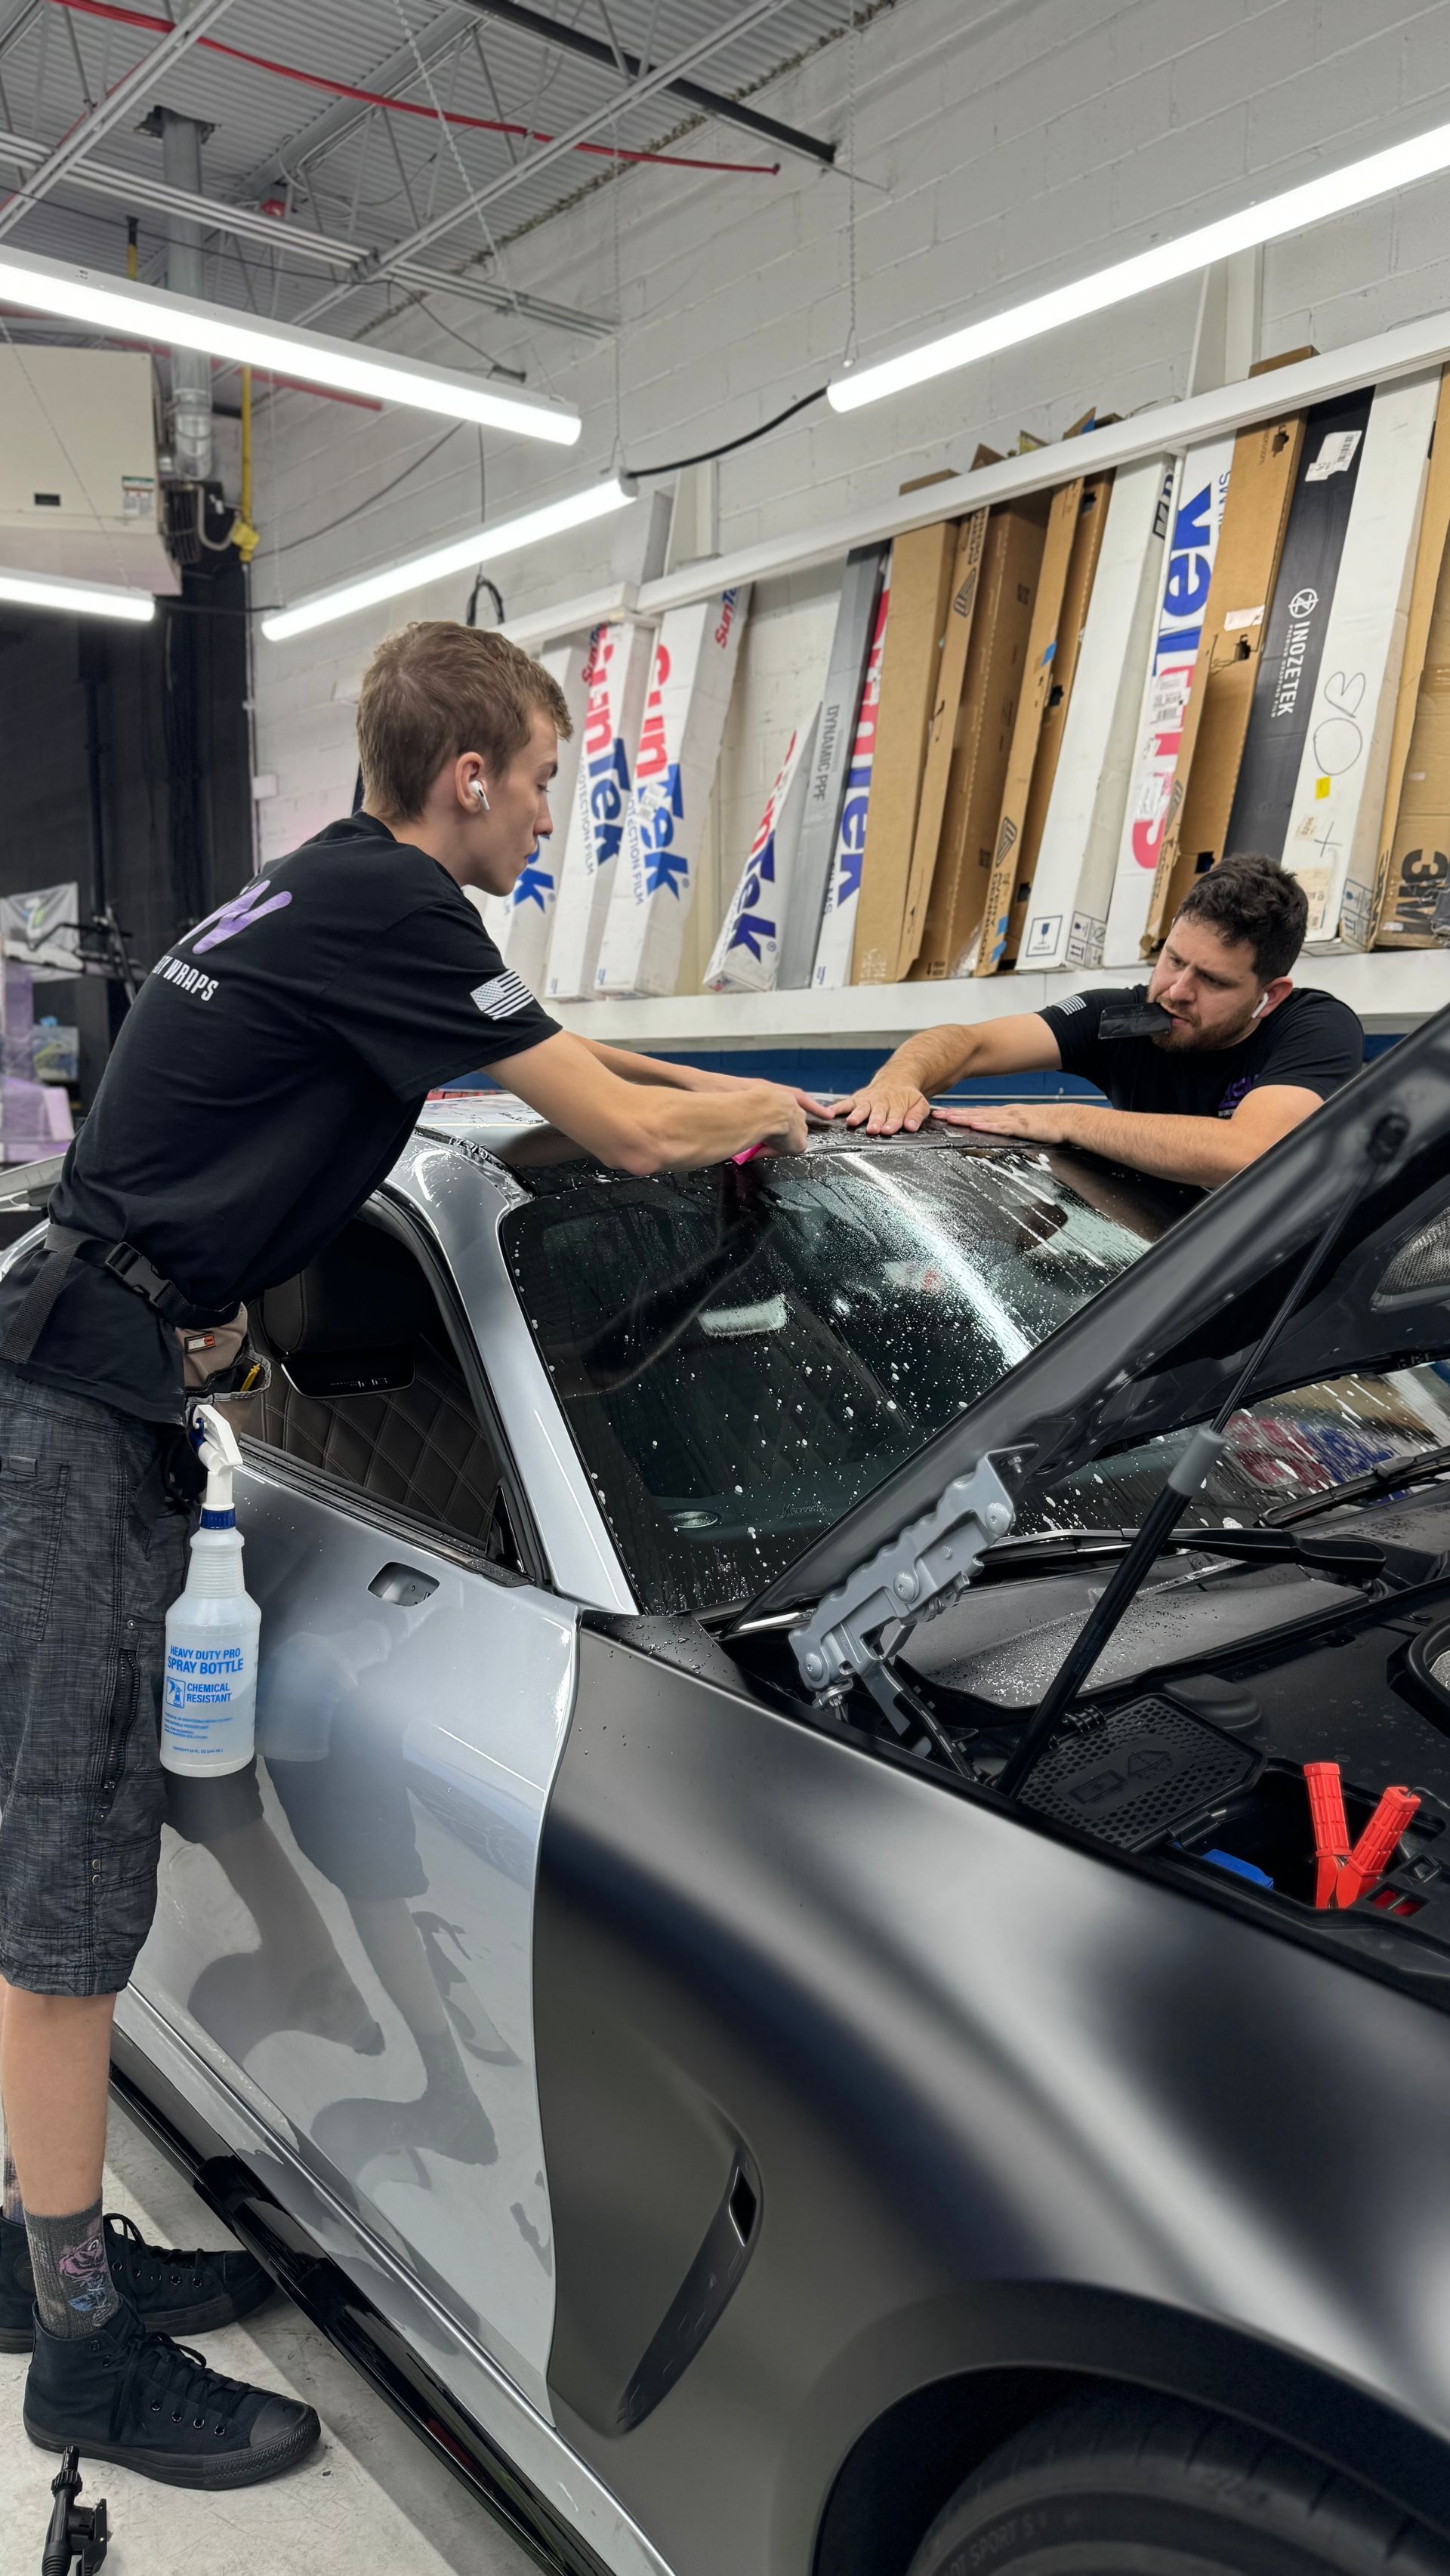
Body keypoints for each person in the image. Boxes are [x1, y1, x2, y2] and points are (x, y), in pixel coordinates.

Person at [0, 618, 807, 2487]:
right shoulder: (401, 915)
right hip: (61, 1419)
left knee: (57, 1876)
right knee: (65, 1900)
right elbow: (601, 1120)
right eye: (543, 776)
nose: (549, 808)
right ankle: (81, 2354)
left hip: (76, 1370)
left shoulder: (317, 895)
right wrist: (768, 1106)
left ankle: (39, 2262)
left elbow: (563, 1049)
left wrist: (759, 1091)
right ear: (471, 776)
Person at [830, 855, 1363, 1188]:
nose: (1176, 992)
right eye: (1174, 959)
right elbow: (967, 1044)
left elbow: (1248, 1153)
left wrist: (1074, 1121)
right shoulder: (1123, 1020)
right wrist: (899, 1080)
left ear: (1268, 995)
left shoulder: (1312, 1028)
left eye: (1214, 982)